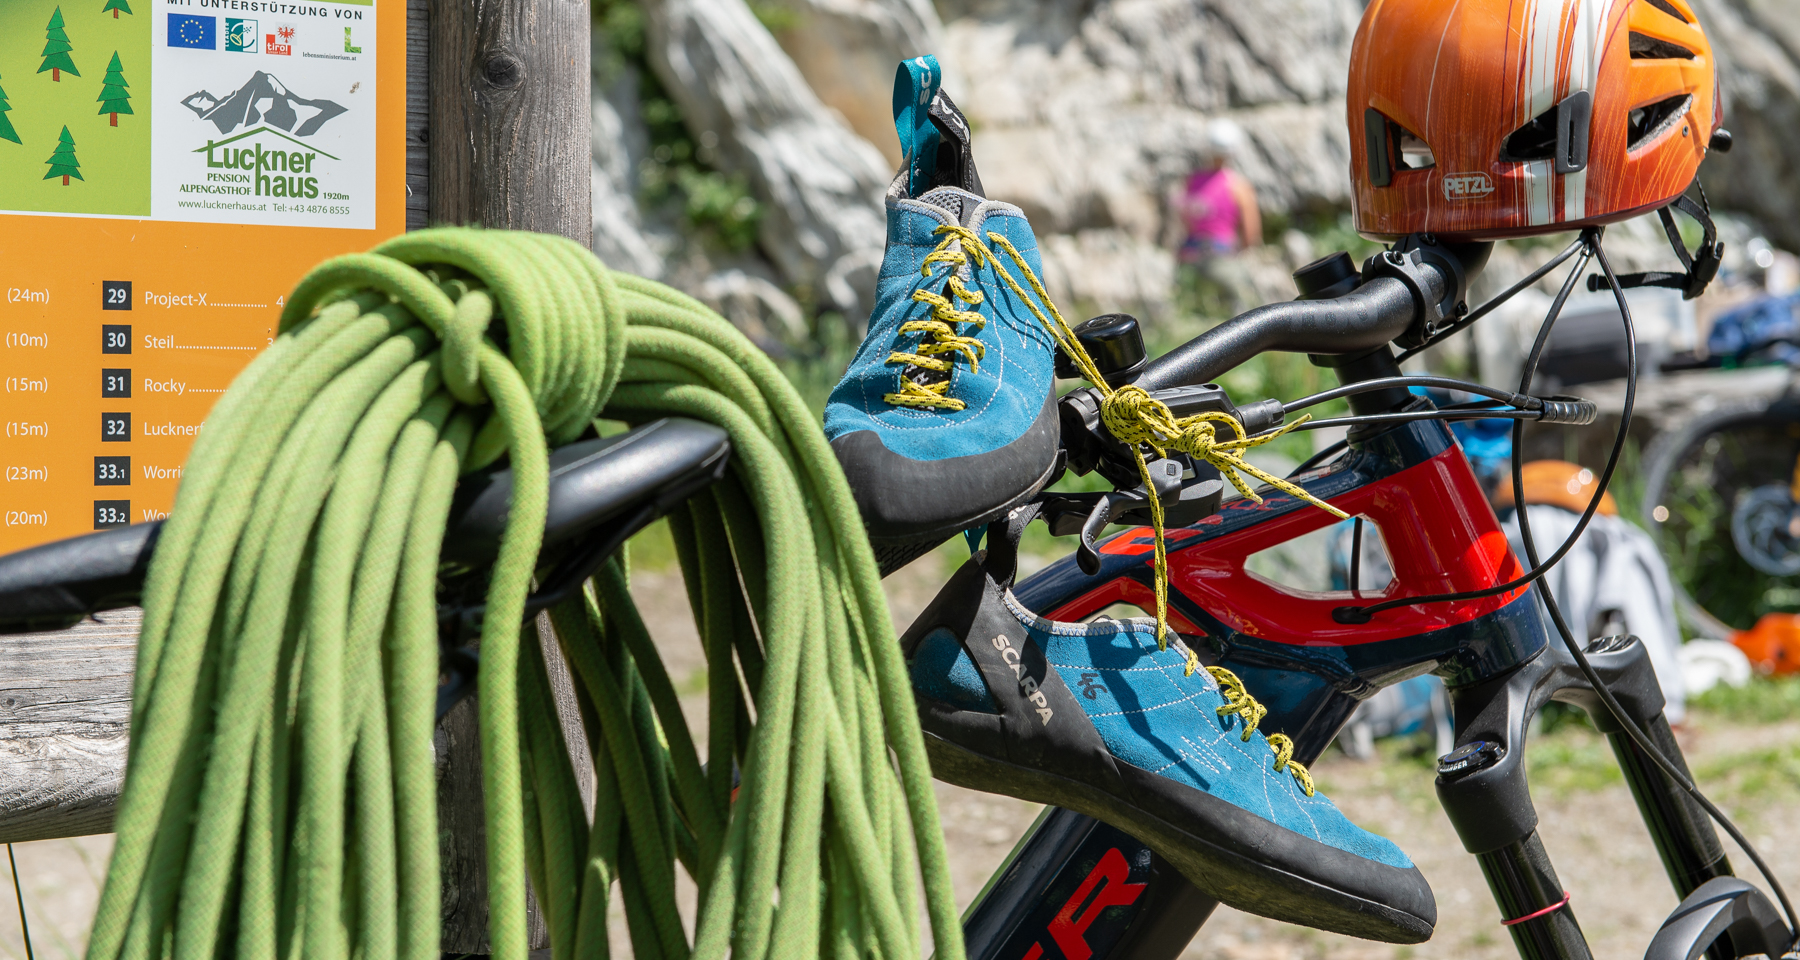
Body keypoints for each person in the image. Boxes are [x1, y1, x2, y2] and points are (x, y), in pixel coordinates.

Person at [1175, 119, 1263, 263]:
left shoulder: (1191, 181)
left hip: (1189, 253)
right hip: (1221, 253)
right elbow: (1251, 235)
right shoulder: (1239, 186)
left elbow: (1185, 221)